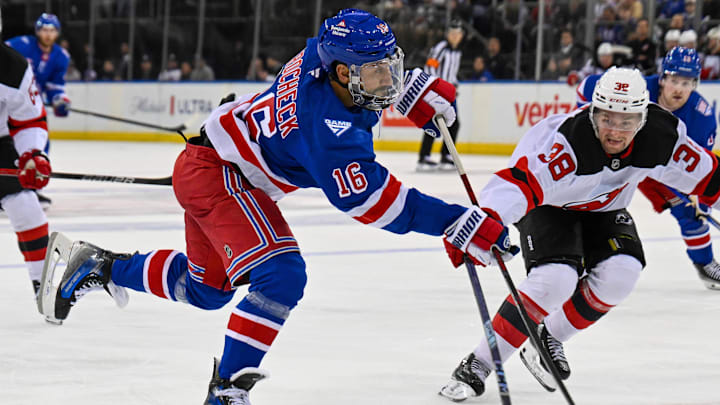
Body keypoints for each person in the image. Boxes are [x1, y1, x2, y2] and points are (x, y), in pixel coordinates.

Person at [42, 9, 511, 405]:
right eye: (376, 72)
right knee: (282, 275)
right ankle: (226, 391)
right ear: (342, 73)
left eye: (390, 67)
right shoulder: (329, 134)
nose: (386, 81)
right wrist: (458, 222)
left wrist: (412, 94)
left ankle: (101, 266)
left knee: (208, 291)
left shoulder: (320, 55)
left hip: (216, 164)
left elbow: (364, 89)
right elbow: (377, 204)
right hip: (219, 176)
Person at [438, 66, 720, 401]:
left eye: (626, 121)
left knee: (623, 274)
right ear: (592, 111)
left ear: (642, 119)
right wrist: (486, 220)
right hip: (549, 206)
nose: (615, 130)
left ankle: (549, 339)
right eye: (606, 118)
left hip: (605, 209)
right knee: (555, 279)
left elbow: (710, 178)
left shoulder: (663, 136)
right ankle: (480, 363)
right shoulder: (567, 145)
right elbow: (517, 185)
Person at [576, 47, 720, 290]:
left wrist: (700, 201)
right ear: (662, 78)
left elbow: (702, 170)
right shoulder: (638, 87)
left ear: (695, 84)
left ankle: (705, 265)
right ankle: (578, 256)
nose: (678, 89)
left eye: (686, 83)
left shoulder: (702, 117)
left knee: (689, 213)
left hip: (661, 166)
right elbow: (587, 87)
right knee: (591, 198)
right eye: (674, 80)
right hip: (620, 152)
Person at [0, 25, 53, 299]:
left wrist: (31, 154)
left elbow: (29, 118)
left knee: (26, 206)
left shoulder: (12, 67)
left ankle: (44, 285)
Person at [6, 13, 69, 209]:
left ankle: (31, 187)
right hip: (10, 102)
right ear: (37, 31)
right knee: (7, 142)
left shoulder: (61, 56)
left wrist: (59, 100)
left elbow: (54, 85)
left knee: (38, 142)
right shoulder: (21, 44)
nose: (48, 34)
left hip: (31, 106)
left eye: (51, 30)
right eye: (44, 30)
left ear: (57, 32)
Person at [417, 19, 464, 171]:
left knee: (452, 123)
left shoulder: (457, 52)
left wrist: (454, 85)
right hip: (438, 92)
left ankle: (444, 155)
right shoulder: (441, 48)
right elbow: (429, 67)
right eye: (452, 34)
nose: (455, 37)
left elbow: (452, 73)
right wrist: (436, 88)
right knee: (436, 122)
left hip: (449, 93)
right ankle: (425, 157)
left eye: (458, 34)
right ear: (448, 34)